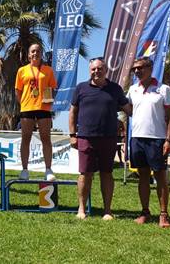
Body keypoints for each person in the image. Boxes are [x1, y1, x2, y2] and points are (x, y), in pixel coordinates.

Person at [69, 57, 131, 220]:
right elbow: (73, 112)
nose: (97, 71)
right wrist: (72, 135)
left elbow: (129, 109)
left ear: (106, 70)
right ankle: (81, 209)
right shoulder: (81, 88)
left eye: (100, 68)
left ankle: (107, 210)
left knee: (106, 173)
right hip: (85, 137)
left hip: (108, 138)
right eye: (93, 69)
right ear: (90, 70)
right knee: (85, 174)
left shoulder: (115, 89)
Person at [127, 57, 170, 228]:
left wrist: (169, 139)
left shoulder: (164, 89)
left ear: (150, 68)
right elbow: (129, 110)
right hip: (137, 138)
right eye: (134, 69)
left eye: (140, 68)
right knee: (143, 176)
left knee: (160, 177)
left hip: (157, 139)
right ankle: (145, 211)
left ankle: (163, 214)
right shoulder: (132, 89)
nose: (137, 71)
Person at [15, 44, 57, 181]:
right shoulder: (22, 70)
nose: (35, 53)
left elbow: (52, 89)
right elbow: (18, 90)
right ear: (28, 55)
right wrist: (24, 104)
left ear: (41, 54)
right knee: (25, 139)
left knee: (46, 139)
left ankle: (48, 169)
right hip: (27, 108)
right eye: (33, 51)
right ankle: (25, 170)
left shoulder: (48, 70)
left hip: (43, 108)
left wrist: (48, 102)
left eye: (38, 51)